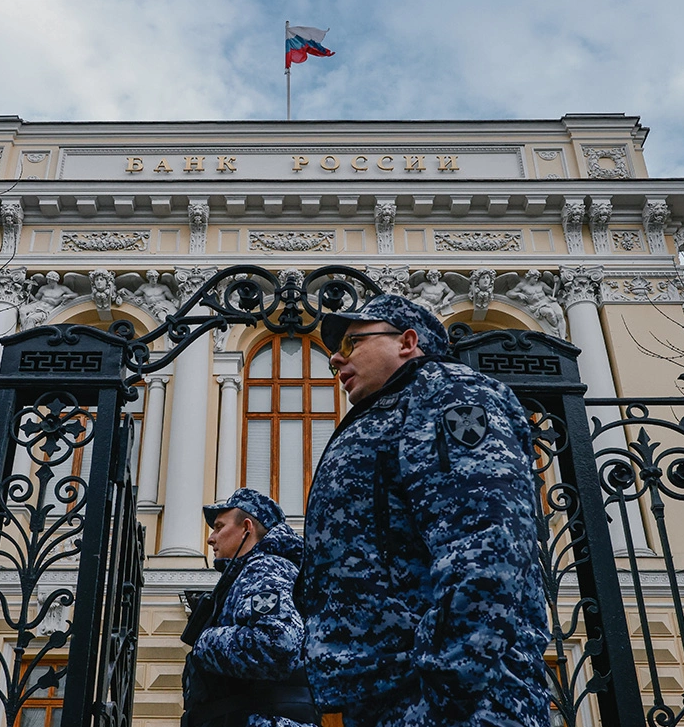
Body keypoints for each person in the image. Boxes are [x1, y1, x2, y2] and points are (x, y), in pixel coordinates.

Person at [298, 294, 550, 727]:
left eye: (352, 343)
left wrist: (449, 678)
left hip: (450, 702)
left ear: (407, 341)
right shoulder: (392, 408)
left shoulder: (447, 395)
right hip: (396, 695)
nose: (336, 359)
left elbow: (487, 544)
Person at [181, 488, 319, 727]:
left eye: (219, 527)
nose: (210, 538)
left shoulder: (268, 568)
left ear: (247, 527)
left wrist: (206, 640)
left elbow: (276, 646)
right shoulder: (250, 574)